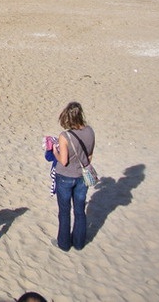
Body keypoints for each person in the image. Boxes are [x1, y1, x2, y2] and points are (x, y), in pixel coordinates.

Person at [52, 101, 95, 251]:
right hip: (82, 176)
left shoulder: (65, 136)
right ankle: (79, 242)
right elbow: (89, 157)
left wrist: (54, 151)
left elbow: (63, 161)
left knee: (64, 212)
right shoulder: (90, 131)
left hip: (65, 176)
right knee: (79, 210)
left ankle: (64, 244)